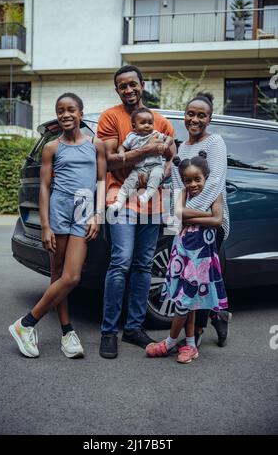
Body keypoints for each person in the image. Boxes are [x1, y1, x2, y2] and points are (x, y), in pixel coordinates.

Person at [9, 92, 106, 358]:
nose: (65, 114)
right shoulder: (52, 147)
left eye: (71, 109)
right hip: (59, 212)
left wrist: (97, 214)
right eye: (60, 110)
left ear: (80, 114)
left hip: (84, 212)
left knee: (72, 276)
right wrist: (47, 226)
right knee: (58, 273)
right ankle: (67, 332)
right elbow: (44, 186)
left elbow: (101, 181)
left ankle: (26, 323)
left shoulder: (96, 145)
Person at [97, 65, 175, 359]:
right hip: (120, 197)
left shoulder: (163, 122)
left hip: (152, 203)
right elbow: (111, 162)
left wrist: (159, 172)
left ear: (142, 84)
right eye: (122, 86)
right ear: (117, 90)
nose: (128, 90)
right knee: (121, 262)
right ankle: (108, 331)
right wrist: (144, 152)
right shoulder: (110, 117)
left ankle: (134, 327)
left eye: (133, 84)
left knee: (143, 265)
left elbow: (171, 160)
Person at [146, 151, 228, 363]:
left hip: (200, 257)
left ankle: (170, 341)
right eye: (187, 180)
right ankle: (190, 345)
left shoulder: (214, 193)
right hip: (182, 251)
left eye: (197, 179)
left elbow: (218, 220)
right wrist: (203, 215)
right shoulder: (184, 193)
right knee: (187, 301)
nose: (192, 184)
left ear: (206, 178)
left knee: (184, 301)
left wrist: (191, 216)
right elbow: (179, 213)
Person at [171, 91, 231, 348]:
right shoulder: (182, 148)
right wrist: (179, 214)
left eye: (201, 115)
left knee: (201, 277)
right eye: (190, 114)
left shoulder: (215, 142)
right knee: (189, 276)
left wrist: (185, 214)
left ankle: (194, 337)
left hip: (210, 221)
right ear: (185, 115)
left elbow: (214, 182)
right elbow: (177, 186)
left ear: (209, 118)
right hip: (189, 221)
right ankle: (217, 316)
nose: (194, 119)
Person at [109, 107, 172, 212]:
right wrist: (121, 153)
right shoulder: (131, 137)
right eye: (143, 123)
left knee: (156, 176)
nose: (147, 125)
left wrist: (165, 144)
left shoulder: (156, 134)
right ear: (134, 126)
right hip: (139, 169)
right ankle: (119, 202)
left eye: (150, 123)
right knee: (128, 183)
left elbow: (169, 138)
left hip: (155, 165)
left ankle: (147, 195)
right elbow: (122, 146)